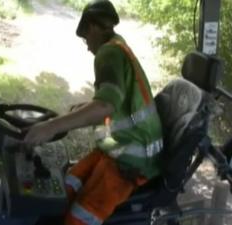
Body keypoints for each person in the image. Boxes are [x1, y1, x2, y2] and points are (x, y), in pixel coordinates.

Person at [24, 1, 163, 224]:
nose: (87, 46)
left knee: (78, 217)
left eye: (85, 38)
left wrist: (51, 126)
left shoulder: (108, 53)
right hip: (119, 147)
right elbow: (111, 101)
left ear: (93, 28)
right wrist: (86, 108)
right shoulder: (119, 45)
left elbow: (104, 108)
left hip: (131, 161)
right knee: (67, 185)